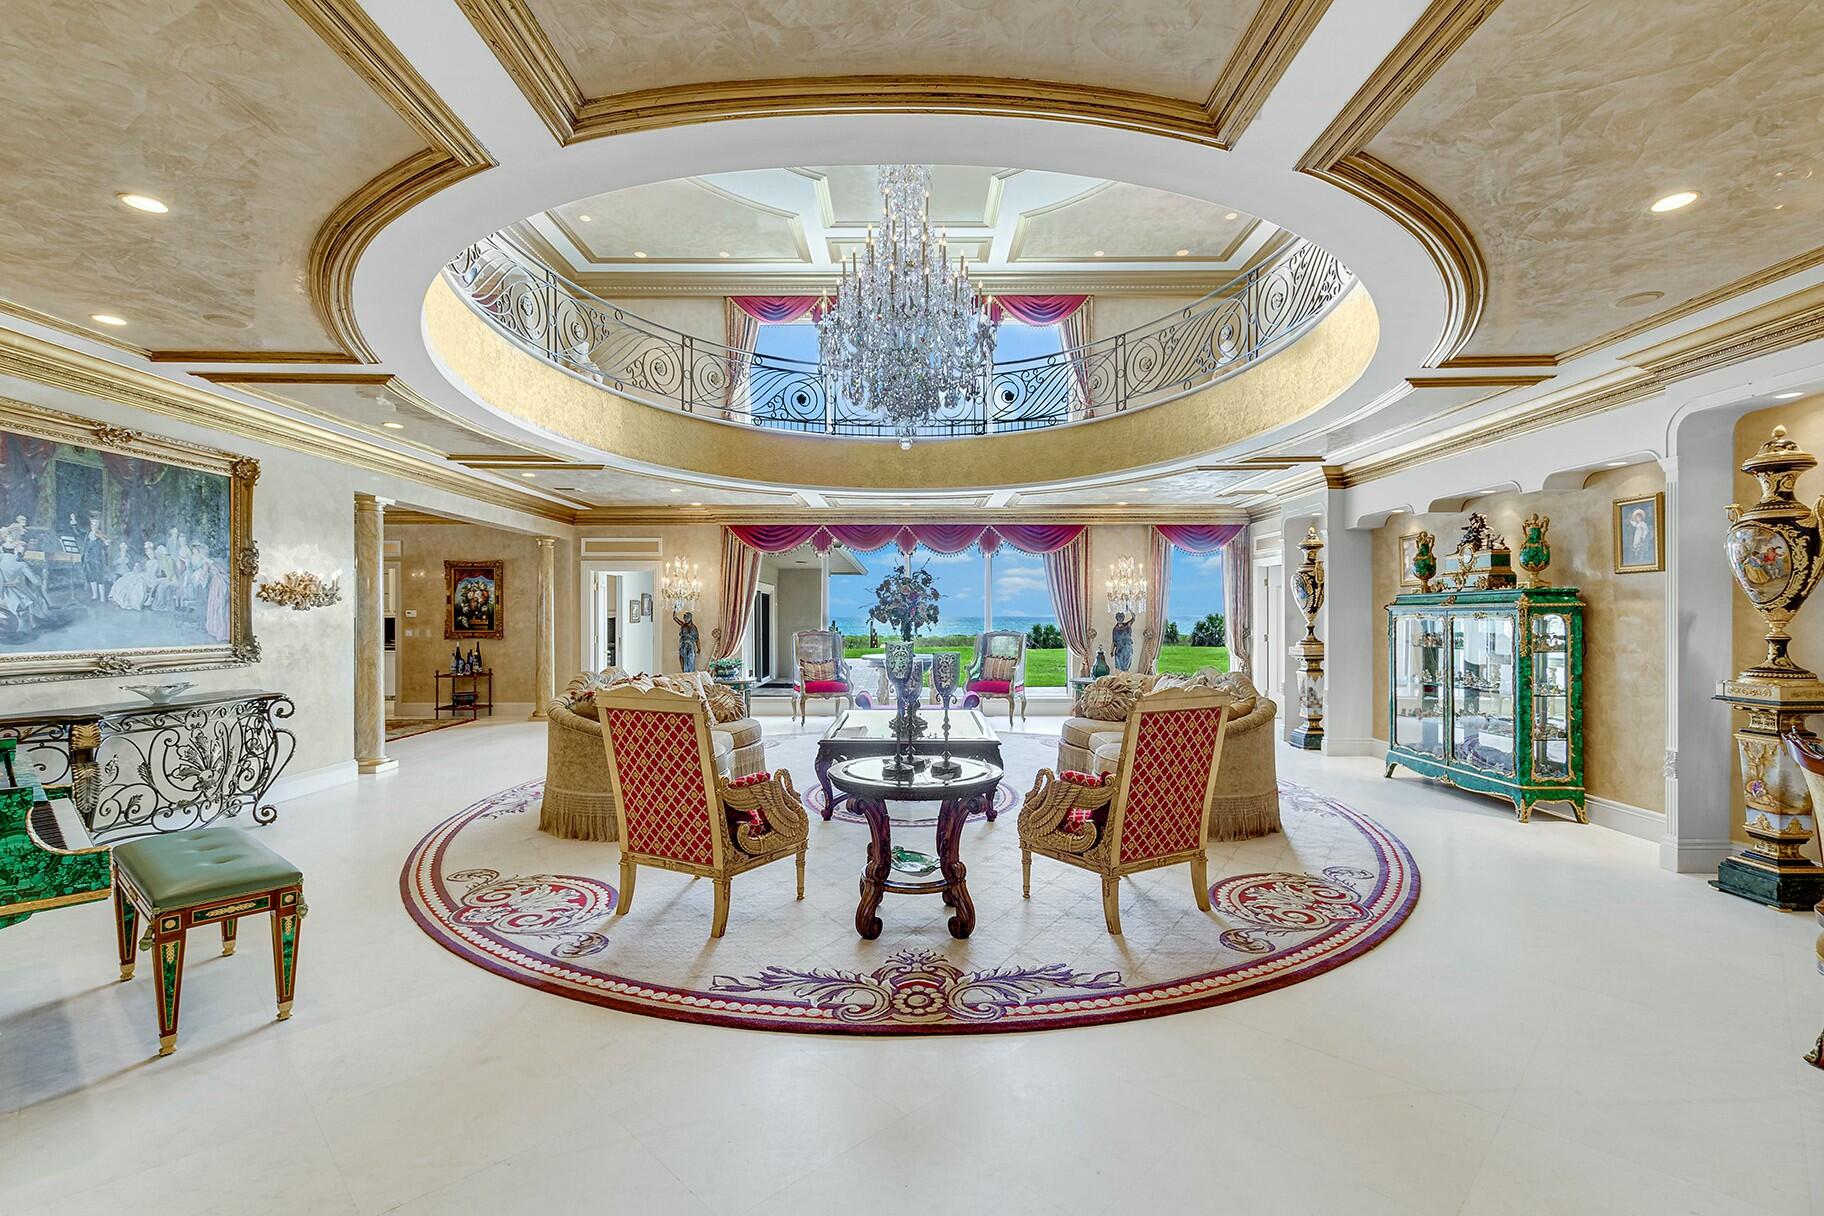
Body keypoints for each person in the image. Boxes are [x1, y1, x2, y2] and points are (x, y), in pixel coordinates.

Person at [0, 543, 48, 633]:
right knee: (31, 600)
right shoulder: (22, 564)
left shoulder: (2, 557)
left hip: (4, 592)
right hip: (14, 592)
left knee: (26, 599)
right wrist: (40, 578)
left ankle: (30, 622)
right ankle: (32, 622)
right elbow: (36, 582)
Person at [81, 515, 109, 601]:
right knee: (91, 577)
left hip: (97, 559)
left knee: (99, 578)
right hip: (88, 559)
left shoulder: (100, 536)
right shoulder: (88, 535)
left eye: (96, 525)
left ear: (98, 526)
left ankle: (102, 598)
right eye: (93, 524)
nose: (94, 526)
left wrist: (106, 543)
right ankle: (94, 595)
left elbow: (104, 547)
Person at [673, 608, 699, 673]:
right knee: (683, 661)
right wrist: (675, 608)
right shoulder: (683, 625)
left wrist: (699, 648)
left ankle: (689, 675)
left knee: (690, 662)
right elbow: (675, 617)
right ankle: (684, 674)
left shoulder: (694, 628)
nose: (685, 619)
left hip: (690, 647)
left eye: (686, 617)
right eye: (684, 617)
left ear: (690, 618)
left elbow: (697, 639)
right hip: (683, 645)